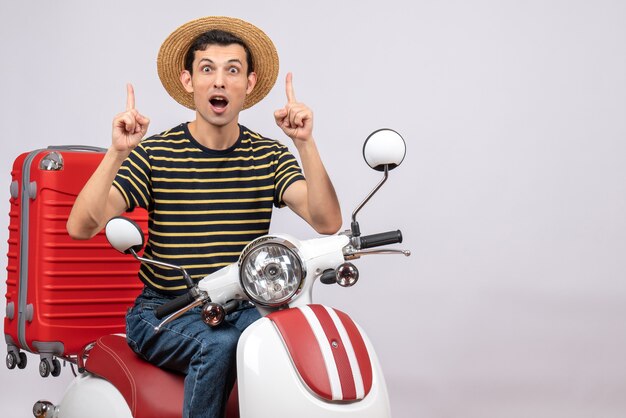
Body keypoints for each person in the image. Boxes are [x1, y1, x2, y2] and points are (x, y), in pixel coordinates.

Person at [66, 16, 341, 418]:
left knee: (291, 338)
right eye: (207, 69)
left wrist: (305, 144)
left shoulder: (267, 156)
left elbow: (327, 221)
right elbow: (81, 226)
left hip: (244, 304)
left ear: (248, 84)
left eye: (232, 70)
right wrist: (117, 152)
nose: (219, 81)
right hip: (164, 310)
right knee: (219, 345)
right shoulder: (157, 153)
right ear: (188, 81)